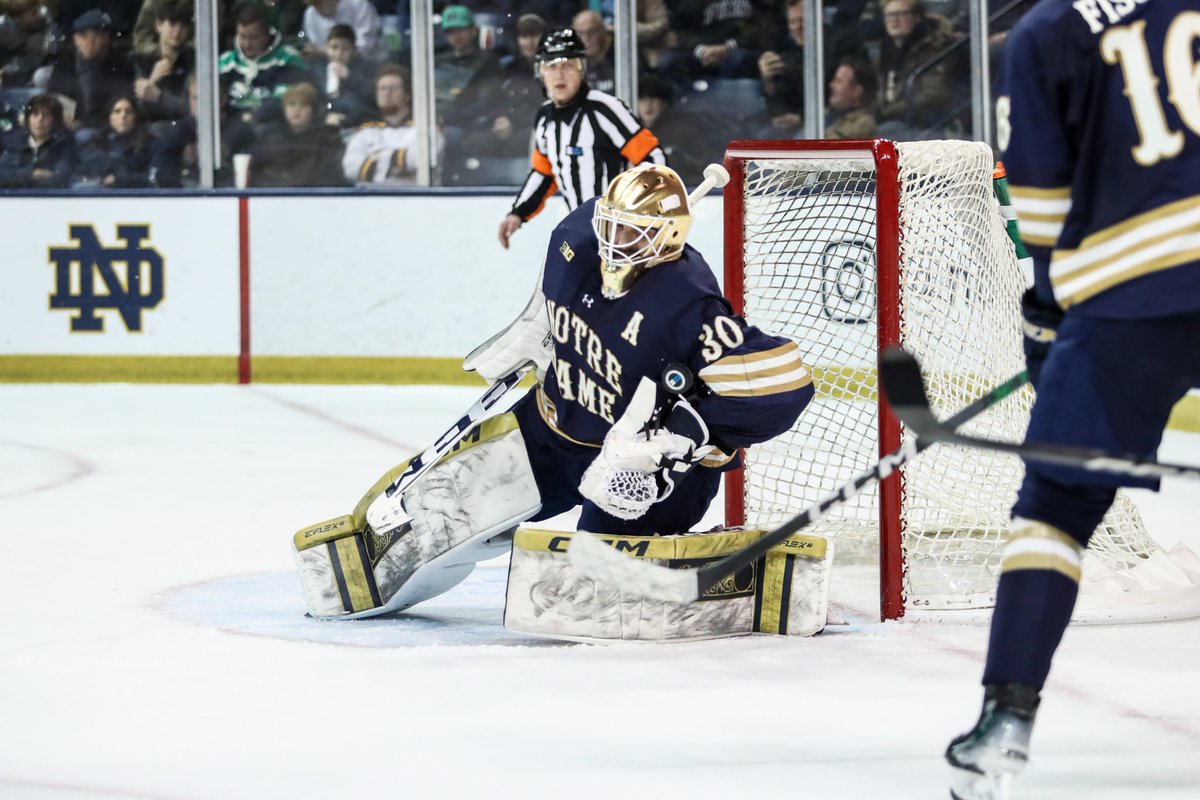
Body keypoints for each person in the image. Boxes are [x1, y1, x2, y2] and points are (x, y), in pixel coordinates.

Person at [293, 163, 816, 625]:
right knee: (435, 510)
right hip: (548, 428)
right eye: (613, 224)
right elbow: (553, 298)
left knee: (585, 594)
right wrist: (531, 333)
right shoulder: (577, 234)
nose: (615, 240)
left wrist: (681, 439)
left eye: (634, 234)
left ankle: (740, 572)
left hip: (634, 471)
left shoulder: (687, 300)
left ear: (669, 239)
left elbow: (784, 385)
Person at [944, 2, 1200, 799]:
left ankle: (1006, 719)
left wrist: (1048, 313)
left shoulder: (1047, 29)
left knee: (1054, 507)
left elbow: (1044, 204)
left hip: (1127, 296)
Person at [497, 28, 665, 250]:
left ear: (582, 68)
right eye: (551, 66)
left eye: (568, 65)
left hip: (624, 235)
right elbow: (544, 173)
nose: (559, 74)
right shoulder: (545, 117)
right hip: (582, 233)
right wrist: (517, 213)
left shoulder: (605, 109)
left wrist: (634, 213)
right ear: (540, 72)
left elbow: (652, 157)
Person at [872, 0, 962, 138]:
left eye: (901, 14)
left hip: (927, 122)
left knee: (882, 134)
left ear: (917, 17)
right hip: (896, 118)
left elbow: (935, 95)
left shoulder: (933, 47)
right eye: (889, 15)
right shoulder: (885, 51)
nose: (894, 20)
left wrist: (887, 112)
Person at [341, 62, 443, 185]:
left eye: (393, 88)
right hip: (370, 200)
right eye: (382, 89)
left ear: (407, 95)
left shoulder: (425, 129)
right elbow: (350, 168)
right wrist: (398, 163)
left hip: (415, 200)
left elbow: (420, 159)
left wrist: (374, 161)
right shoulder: (366, 132)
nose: (387, 93)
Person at [151, 71, 256, 187]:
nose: (200, 105)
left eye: (207, 98)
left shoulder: (240, 129)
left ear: (223, 99)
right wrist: (182, 162)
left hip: (227, 196)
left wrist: (228, 155)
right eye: (195, 98)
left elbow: (257, 168)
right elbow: (160, 173)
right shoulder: (178, 131)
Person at [44, 9, 135, 134]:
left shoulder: (120, 64)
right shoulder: (65, 62)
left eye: (96, 35)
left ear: (105, 38)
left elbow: (119, 103)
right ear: (75, 39)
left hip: (104, 127)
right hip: (65, 125)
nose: (89, 41)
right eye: (83, 36)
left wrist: (83, 123)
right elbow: (53, 94)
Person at [218, 0, 307, 124]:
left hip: (271, 129)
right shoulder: (225, 62)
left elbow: (285, 99)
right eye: (242, 37)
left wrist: (256, 116)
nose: (247, 44)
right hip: (229, 127)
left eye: (254, 38)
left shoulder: (288, 59)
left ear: (267, 34)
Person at [248, 80, 344, 186]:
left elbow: (329, 176)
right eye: (292, 105)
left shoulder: (326, 139)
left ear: (313, 110)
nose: (297, 110)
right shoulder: (272, 139)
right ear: (284, 109)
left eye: (303, 106)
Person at [132, 0, 193, 123]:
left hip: (185, 129)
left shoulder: (193, 60)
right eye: (172, 24)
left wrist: (160, 98)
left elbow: (193, 108)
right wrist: (153, 80)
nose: (177, 31)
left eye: (182, 26)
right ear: (158, 25)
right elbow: (133, 109)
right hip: (148, 131)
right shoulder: (140, 61)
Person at [0, 92, 78, 186]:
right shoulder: (14, 143)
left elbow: (61, 178)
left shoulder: (65, 144)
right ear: (28, 118)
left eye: (46, 115)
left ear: (55, 120)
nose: (40, 120)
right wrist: (30, 174)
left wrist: (18, 178)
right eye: (35, 114)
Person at [76, 92, 154, 186]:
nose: (123, 116)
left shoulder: (149, 143)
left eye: (128, 111)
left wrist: (119, 179)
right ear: (110, 117)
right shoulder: (96, 142)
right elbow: (80, 172)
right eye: (117, 111)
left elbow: (152, 178)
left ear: (135, 117)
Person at [309, 21, 373, 129]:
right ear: (326, 48)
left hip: (360, 124)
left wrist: (350, 77)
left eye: (345, 49)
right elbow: (312, 99)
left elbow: (371, 97)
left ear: (354, 50)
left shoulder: (366, 68)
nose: (339, 54)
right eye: (334, 47)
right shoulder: (316, 69)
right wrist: (324, 115)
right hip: (326, 124)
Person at [299, 0, 384, 63]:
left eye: (319, 3)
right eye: (313, 4)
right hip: (330, 67)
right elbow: (317, 46)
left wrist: (324, 51)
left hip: (370, 63)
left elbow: (365, 46)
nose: (317, 9)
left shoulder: (358, 4)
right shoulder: (310, 14)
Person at [0, 0, 59, 88]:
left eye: (38, 9)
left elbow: (39, 55)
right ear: (17, 17)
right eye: (33, 13)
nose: (39, 15)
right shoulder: (3, 27)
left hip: (39, 65)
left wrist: (7, 70)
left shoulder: (44, 17)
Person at [824, 56, 876, 139]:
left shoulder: (863, 123)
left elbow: (829, 143)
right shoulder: (823, 114)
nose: (831, 85)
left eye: (839, 81)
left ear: (857, 91)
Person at [569, 8, 613, 94]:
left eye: (592, 31)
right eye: (580, 33)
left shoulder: (619, 57)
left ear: (603, 31)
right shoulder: (569, 66)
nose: (586, 38)